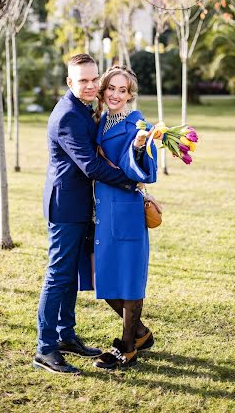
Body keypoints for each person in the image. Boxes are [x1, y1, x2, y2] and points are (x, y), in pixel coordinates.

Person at [33, 54, 135, 375]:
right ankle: (45, 348)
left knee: (71, 275)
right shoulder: (67, 116)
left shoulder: (83, 109)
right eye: (83, 81)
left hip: (79, 205)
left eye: (94, 80)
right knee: (58, 275)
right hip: (65, 207)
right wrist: (131, 179)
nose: (91, 86)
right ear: (70, 83)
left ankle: (66, 336)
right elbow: (90, 164)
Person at [92, 65, 158, 370]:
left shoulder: (138, 124)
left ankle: (128, 347)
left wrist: (138, 146)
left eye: (123, 90)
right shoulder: (101, 120)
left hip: (127, 209)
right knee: (104, 279)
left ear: (130, 95)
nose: (116, 94)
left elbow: (148, 171)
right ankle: (141, 332)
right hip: (104, 211)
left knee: (129, 281)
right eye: (111, 88)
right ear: (104, 90)